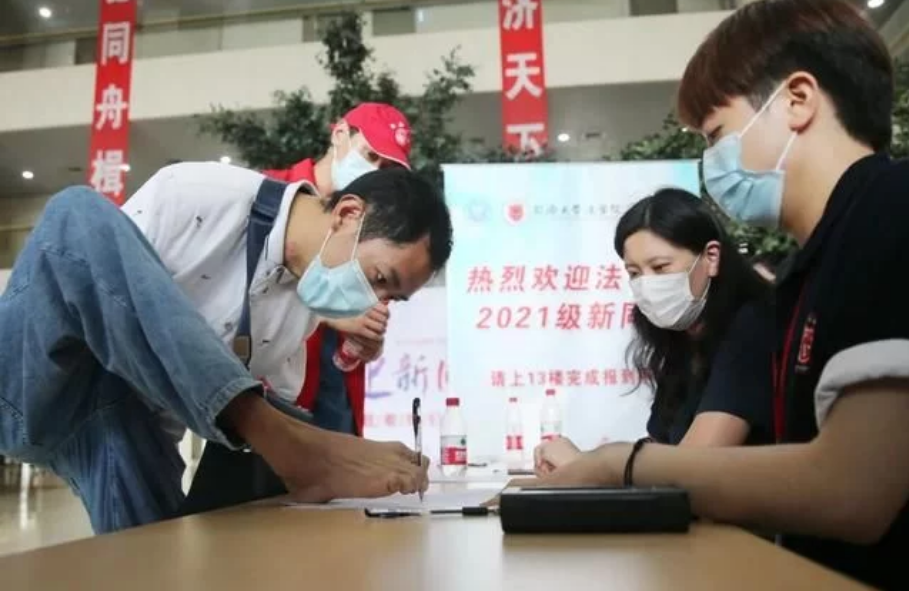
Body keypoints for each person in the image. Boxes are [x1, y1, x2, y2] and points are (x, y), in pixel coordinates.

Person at [529, 1, 909, 587]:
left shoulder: (888, 211)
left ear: (797, 100)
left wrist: (620, 465)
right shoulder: (813, 262)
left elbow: (854, 490)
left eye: (717, 134)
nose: (713, 164)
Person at [0, 164, 450, 534]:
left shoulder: (303, 312)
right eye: (380, 279)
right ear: (348, 214)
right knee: (76, 215)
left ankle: (281, 440)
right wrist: (299, 444)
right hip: (39, 379)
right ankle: (279, 435)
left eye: (392, 298)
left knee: (149, 559)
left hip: (124, 423)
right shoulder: (196, 195)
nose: (375, 302)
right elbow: (93, 280)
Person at [535, 189, 774, 475]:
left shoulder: (751, 327)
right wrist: (585, 463)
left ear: (711, 257)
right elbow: (660, 449)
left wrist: (589, 466)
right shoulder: (680, 339)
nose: (647, 285)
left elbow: (692, 466)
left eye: (660, 268)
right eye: (634, 273)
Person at [264, 102, 414, 436]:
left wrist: (366, 344)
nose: (375, 173)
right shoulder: (270, 193)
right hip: (266, 395)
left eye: (387, 169)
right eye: (371, 156)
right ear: (340, 134)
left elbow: (362, 327)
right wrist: (329, 312)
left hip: (335, 397)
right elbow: (244, 288)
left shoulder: (371, 229)